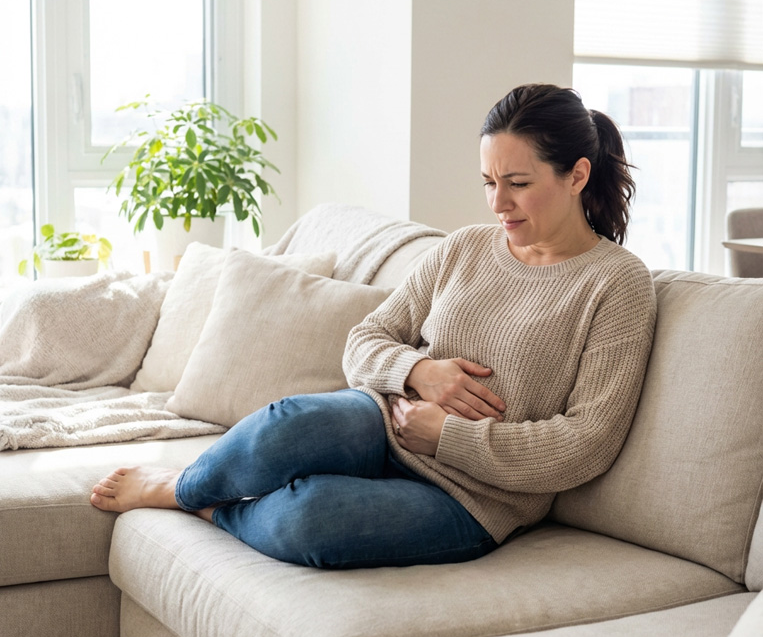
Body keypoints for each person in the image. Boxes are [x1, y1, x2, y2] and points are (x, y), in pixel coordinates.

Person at [90, 83, 657, 569]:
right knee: (285, 425)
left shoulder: (617, 284)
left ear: (578, 174)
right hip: (382, 423)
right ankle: (181, 486)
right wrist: (419, 371)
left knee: (309, 520)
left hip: (475, 498)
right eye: (487, 181)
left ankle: (212, 508)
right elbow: (365, 340)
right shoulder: (464, 248)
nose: (497, 202)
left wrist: (449, 437)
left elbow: (586, 444)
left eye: (517, 182)